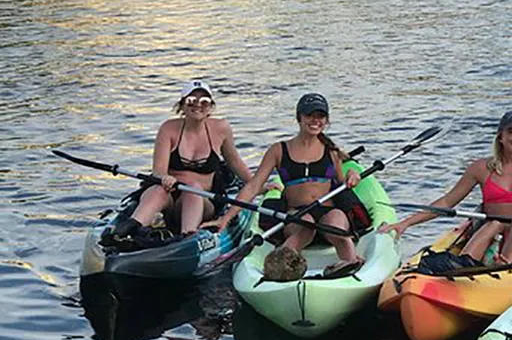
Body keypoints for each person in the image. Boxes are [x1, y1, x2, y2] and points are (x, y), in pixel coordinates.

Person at [378, 111, 512, 265]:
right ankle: (463, 262)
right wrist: (405, 223)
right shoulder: (480, 168)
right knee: (493, 223)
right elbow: (447, 202)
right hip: (490, 230)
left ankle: (507, 264)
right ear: (501, 137)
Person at [204, 93, 366, 277]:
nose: (315, 120)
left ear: (326, 120)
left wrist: (352, 174)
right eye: (309, 115)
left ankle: (350, 263)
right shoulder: (279, 150)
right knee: (305, 226)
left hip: (327, 210)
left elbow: (342, 183)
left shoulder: (332, 151)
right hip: (297, 213)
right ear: (299, 117)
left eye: (320, 116)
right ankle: (279, 266)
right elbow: (253, 186)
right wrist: (226, 218)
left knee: (337, 223)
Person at [106, 80, 253, 242]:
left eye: (204, 101)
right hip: (168, 199)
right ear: (182, 105)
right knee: (159, 189)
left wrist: (257, 184)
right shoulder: (168, 128)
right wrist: (164, 177)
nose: (198, 105)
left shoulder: (221, 128)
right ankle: (128, 229)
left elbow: (235, 162)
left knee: (193, 188)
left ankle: (186, 238)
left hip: (201, 201)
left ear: (211, 106)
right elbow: (159, 169)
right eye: (191, 100)